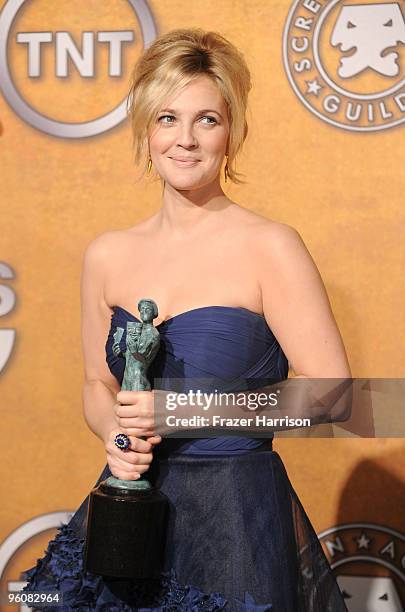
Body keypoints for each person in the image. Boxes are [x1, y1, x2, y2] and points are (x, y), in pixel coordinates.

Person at [21, 28, 351, 611]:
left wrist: (184, 410)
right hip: (130, 509)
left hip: (235, 522)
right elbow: (98, 385)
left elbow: (333, 394)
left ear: (233, 130)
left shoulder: (270, 246)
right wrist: (113, 434)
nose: (186, 140)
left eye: (207, 120)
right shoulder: (108, 254)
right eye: (168, 118)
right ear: (146, 129)